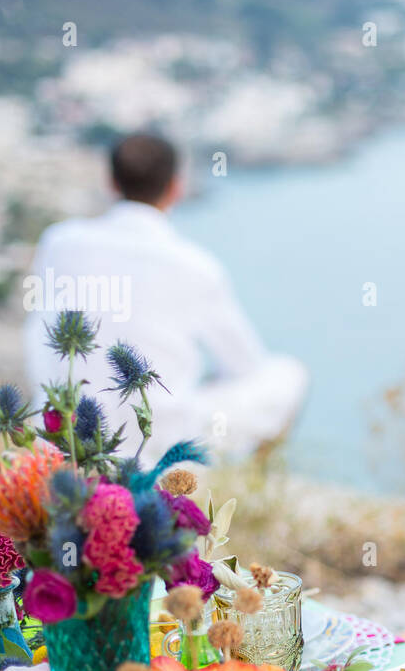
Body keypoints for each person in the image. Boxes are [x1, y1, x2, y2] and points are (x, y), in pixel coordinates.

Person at [21, 133, 306, 464]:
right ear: (176, 187)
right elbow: (244, 364)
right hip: (158, 444)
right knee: (288, 374)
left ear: (111, 182)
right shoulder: (196, 267)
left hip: (64, 432)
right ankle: (255, 483)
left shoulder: (59, 242)